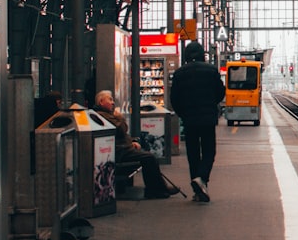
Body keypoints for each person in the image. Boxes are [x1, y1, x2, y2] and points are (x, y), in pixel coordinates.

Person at [92, 90, 178, 199]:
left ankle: (160, 188)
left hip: (124, 148)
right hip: (121, 151)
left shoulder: (107, 114)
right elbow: (121, 129)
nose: (113, 102)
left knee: (149, 157)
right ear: (101, 102)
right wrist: (119, 117)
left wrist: (131, 141)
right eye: (110, 99)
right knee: (149, 158)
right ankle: (156, 189)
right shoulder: (103, 115)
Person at [170, 41, 225, 202]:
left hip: (189, 120)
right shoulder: (211, 71)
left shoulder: (180, 73)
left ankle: (197, 184)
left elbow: (174, 98)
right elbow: (220, 93)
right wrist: (211, 104)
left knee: (193, 153)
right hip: (207, 119)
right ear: (203, 54)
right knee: (209, 151)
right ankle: (202, 179)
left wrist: (183, 113)